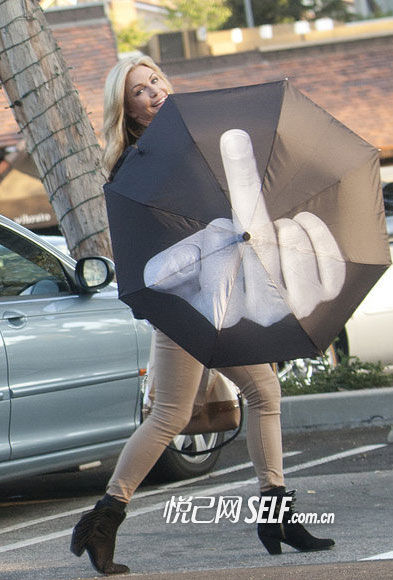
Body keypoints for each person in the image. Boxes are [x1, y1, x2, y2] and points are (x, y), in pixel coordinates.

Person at [70, 54, 334, 575]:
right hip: (184, 303)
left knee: (264, 391)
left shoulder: (197, 139)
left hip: (225, 294)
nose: (152, 93)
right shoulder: (137, 162)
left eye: (155, 81)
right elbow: (158, 244)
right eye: (138, 93)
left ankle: (276, 512)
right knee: (170, 415)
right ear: (129, 111)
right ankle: (103, 519)